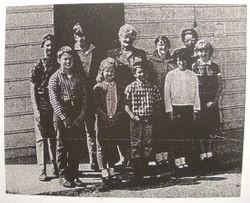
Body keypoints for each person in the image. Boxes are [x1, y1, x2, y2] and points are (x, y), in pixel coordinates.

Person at [108, 24, 148, 166]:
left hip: (137, 95)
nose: (128, 40)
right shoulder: (113, 54)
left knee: (137, 124)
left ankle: (135, 157)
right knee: (120, 125)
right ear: (119, 38)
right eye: (125, 37)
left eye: (131, 38)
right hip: (120, 94)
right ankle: (123, 156)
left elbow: (147, 74)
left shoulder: (141, 54)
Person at [48, 46, 87, 188]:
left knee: (75, 145)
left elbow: (84, 98)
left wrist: (81, 115)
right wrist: (64, 118)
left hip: (76, 113)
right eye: (65, 59)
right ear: (59, 60)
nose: (68, 62)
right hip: (61, 115)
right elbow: (54, 100)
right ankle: (63, 175)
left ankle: (74, 174)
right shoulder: (55, 78)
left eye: (70, 59)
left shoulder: (78, 77)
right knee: (62, 145)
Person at [93, 57, 128, 192]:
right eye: (107, 71)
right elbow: (97, 107)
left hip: (115, 121)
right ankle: (104, 172)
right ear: (102, 72)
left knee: (112, 145)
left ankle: (112, 170)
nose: (109, 73)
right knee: (102, 146)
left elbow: (121, 105)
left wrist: (116, 118)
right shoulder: (98, 87)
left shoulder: (119, 87)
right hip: (102, 122)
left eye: (112, 71)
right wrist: (106, 119)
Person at [164, 50, 200, 175]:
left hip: (188, 108)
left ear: (187, 61)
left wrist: (196, 109)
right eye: (179, 60)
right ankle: (178, 163)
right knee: (177, 136)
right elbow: (167, 94)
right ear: (175, 61)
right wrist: (169, 110)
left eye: (184, 60)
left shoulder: (193, 75)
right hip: (176, 108)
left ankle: (187, 162)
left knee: (188, 136)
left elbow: (196, 94)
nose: (181, 62)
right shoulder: (170, 75)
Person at [124, 61, 161, 183]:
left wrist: (154, 115)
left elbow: (158, 103)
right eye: (139, 72)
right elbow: (126, 105)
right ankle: (136, 173)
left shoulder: (152, 87)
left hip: (148, 119)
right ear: (134, 74)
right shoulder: (130, 87)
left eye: (144, 72)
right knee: (136, 144)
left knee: (147, 144)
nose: (142, 74)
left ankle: (145, 171)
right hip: (135, 120)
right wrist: (132, 116)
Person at [30, 34, 59, 181]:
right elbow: (33, 87)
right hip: (41, 106)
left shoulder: (57, 64)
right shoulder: (38, 65)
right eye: (47, 45)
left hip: (54, 106)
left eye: (52, 46)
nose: (50, 48)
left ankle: (55, 166)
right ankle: (42, 170)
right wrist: (36, 109)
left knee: (53, 137)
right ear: (43, 47)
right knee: (41, 138)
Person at [73, 23, 100, 170]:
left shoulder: (96, 51)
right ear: (75, 36)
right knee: (79, 129)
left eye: (84, 35)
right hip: (77, 96)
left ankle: (95, 160)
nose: (82, 38)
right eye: (79, 35)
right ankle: (76, 164)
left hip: (93, 95)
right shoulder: (71, 52)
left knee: (93, 128)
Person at [192, 40, 222, 173]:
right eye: (200, 51)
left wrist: (214, 102)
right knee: (200, 131)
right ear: (197, 52)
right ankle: (203, 157)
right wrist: (196, 104)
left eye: (205, 50)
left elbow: (220, 86)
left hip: (211, 104)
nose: (203, 53)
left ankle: (211, 156)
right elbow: (192, 87)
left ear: (210, 52)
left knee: (212, 131)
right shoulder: (193, 66)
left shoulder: (215, 66)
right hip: (199, 103)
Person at [148, 36, 175, 164]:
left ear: (169, 46)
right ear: (156, 46)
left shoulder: (174, 62)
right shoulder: (151, 62)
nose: (162, 47)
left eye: (165, 44)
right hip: (157, 101)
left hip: (172, 101)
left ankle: (170, 158)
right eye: (160, 44)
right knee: (158, 129)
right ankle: (159, 158)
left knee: (170, 129)